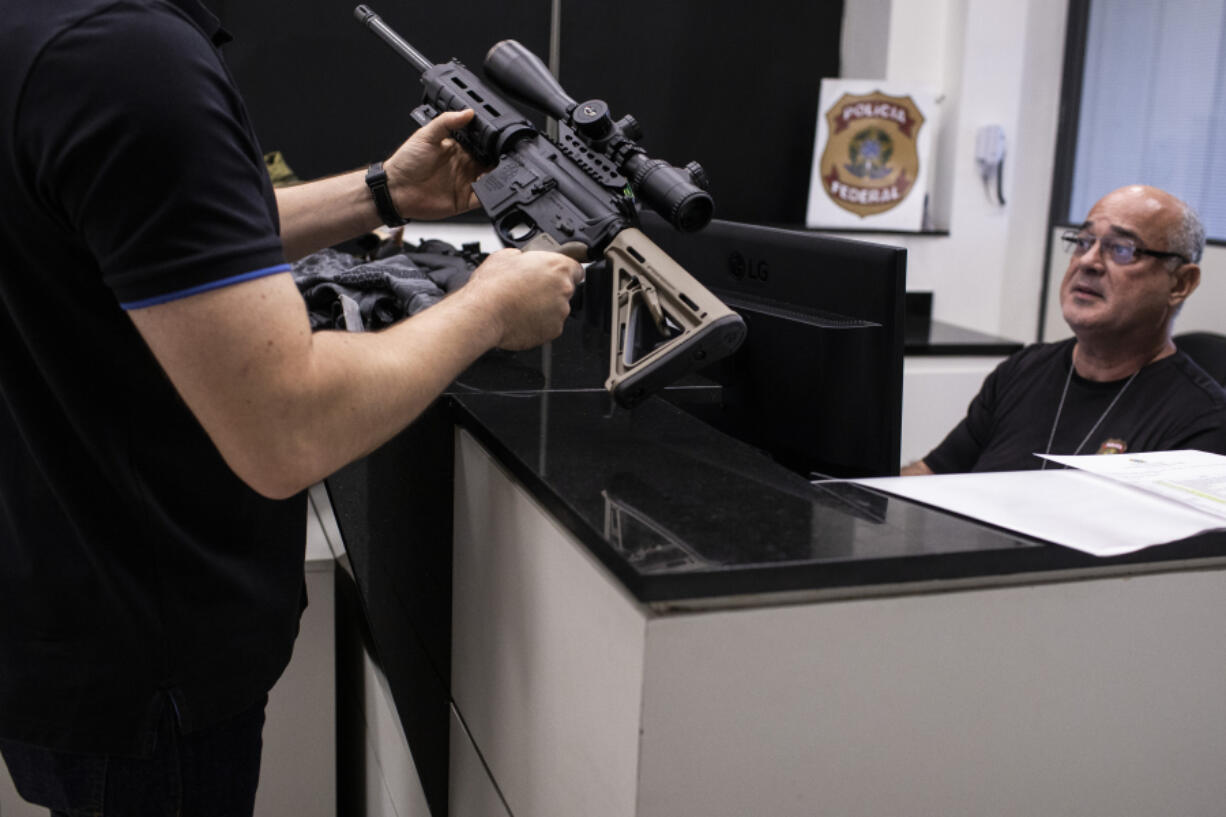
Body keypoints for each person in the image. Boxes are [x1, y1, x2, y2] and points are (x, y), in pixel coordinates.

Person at [0, 0, 581, 814]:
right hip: (150, 668)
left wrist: (384, 192)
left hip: (66, 615)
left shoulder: (49, 29)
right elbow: (289, 423)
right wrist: (489, 306)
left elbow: (163, 240)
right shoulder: (125, 58)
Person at [903, 184, 1226, 475]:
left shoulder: (1203, 423)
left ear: (1180, 283)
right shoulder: (1022, 371)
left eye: (1122, 248)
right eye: (1083, 242)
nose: (1088, 261)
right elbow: (932, 473)